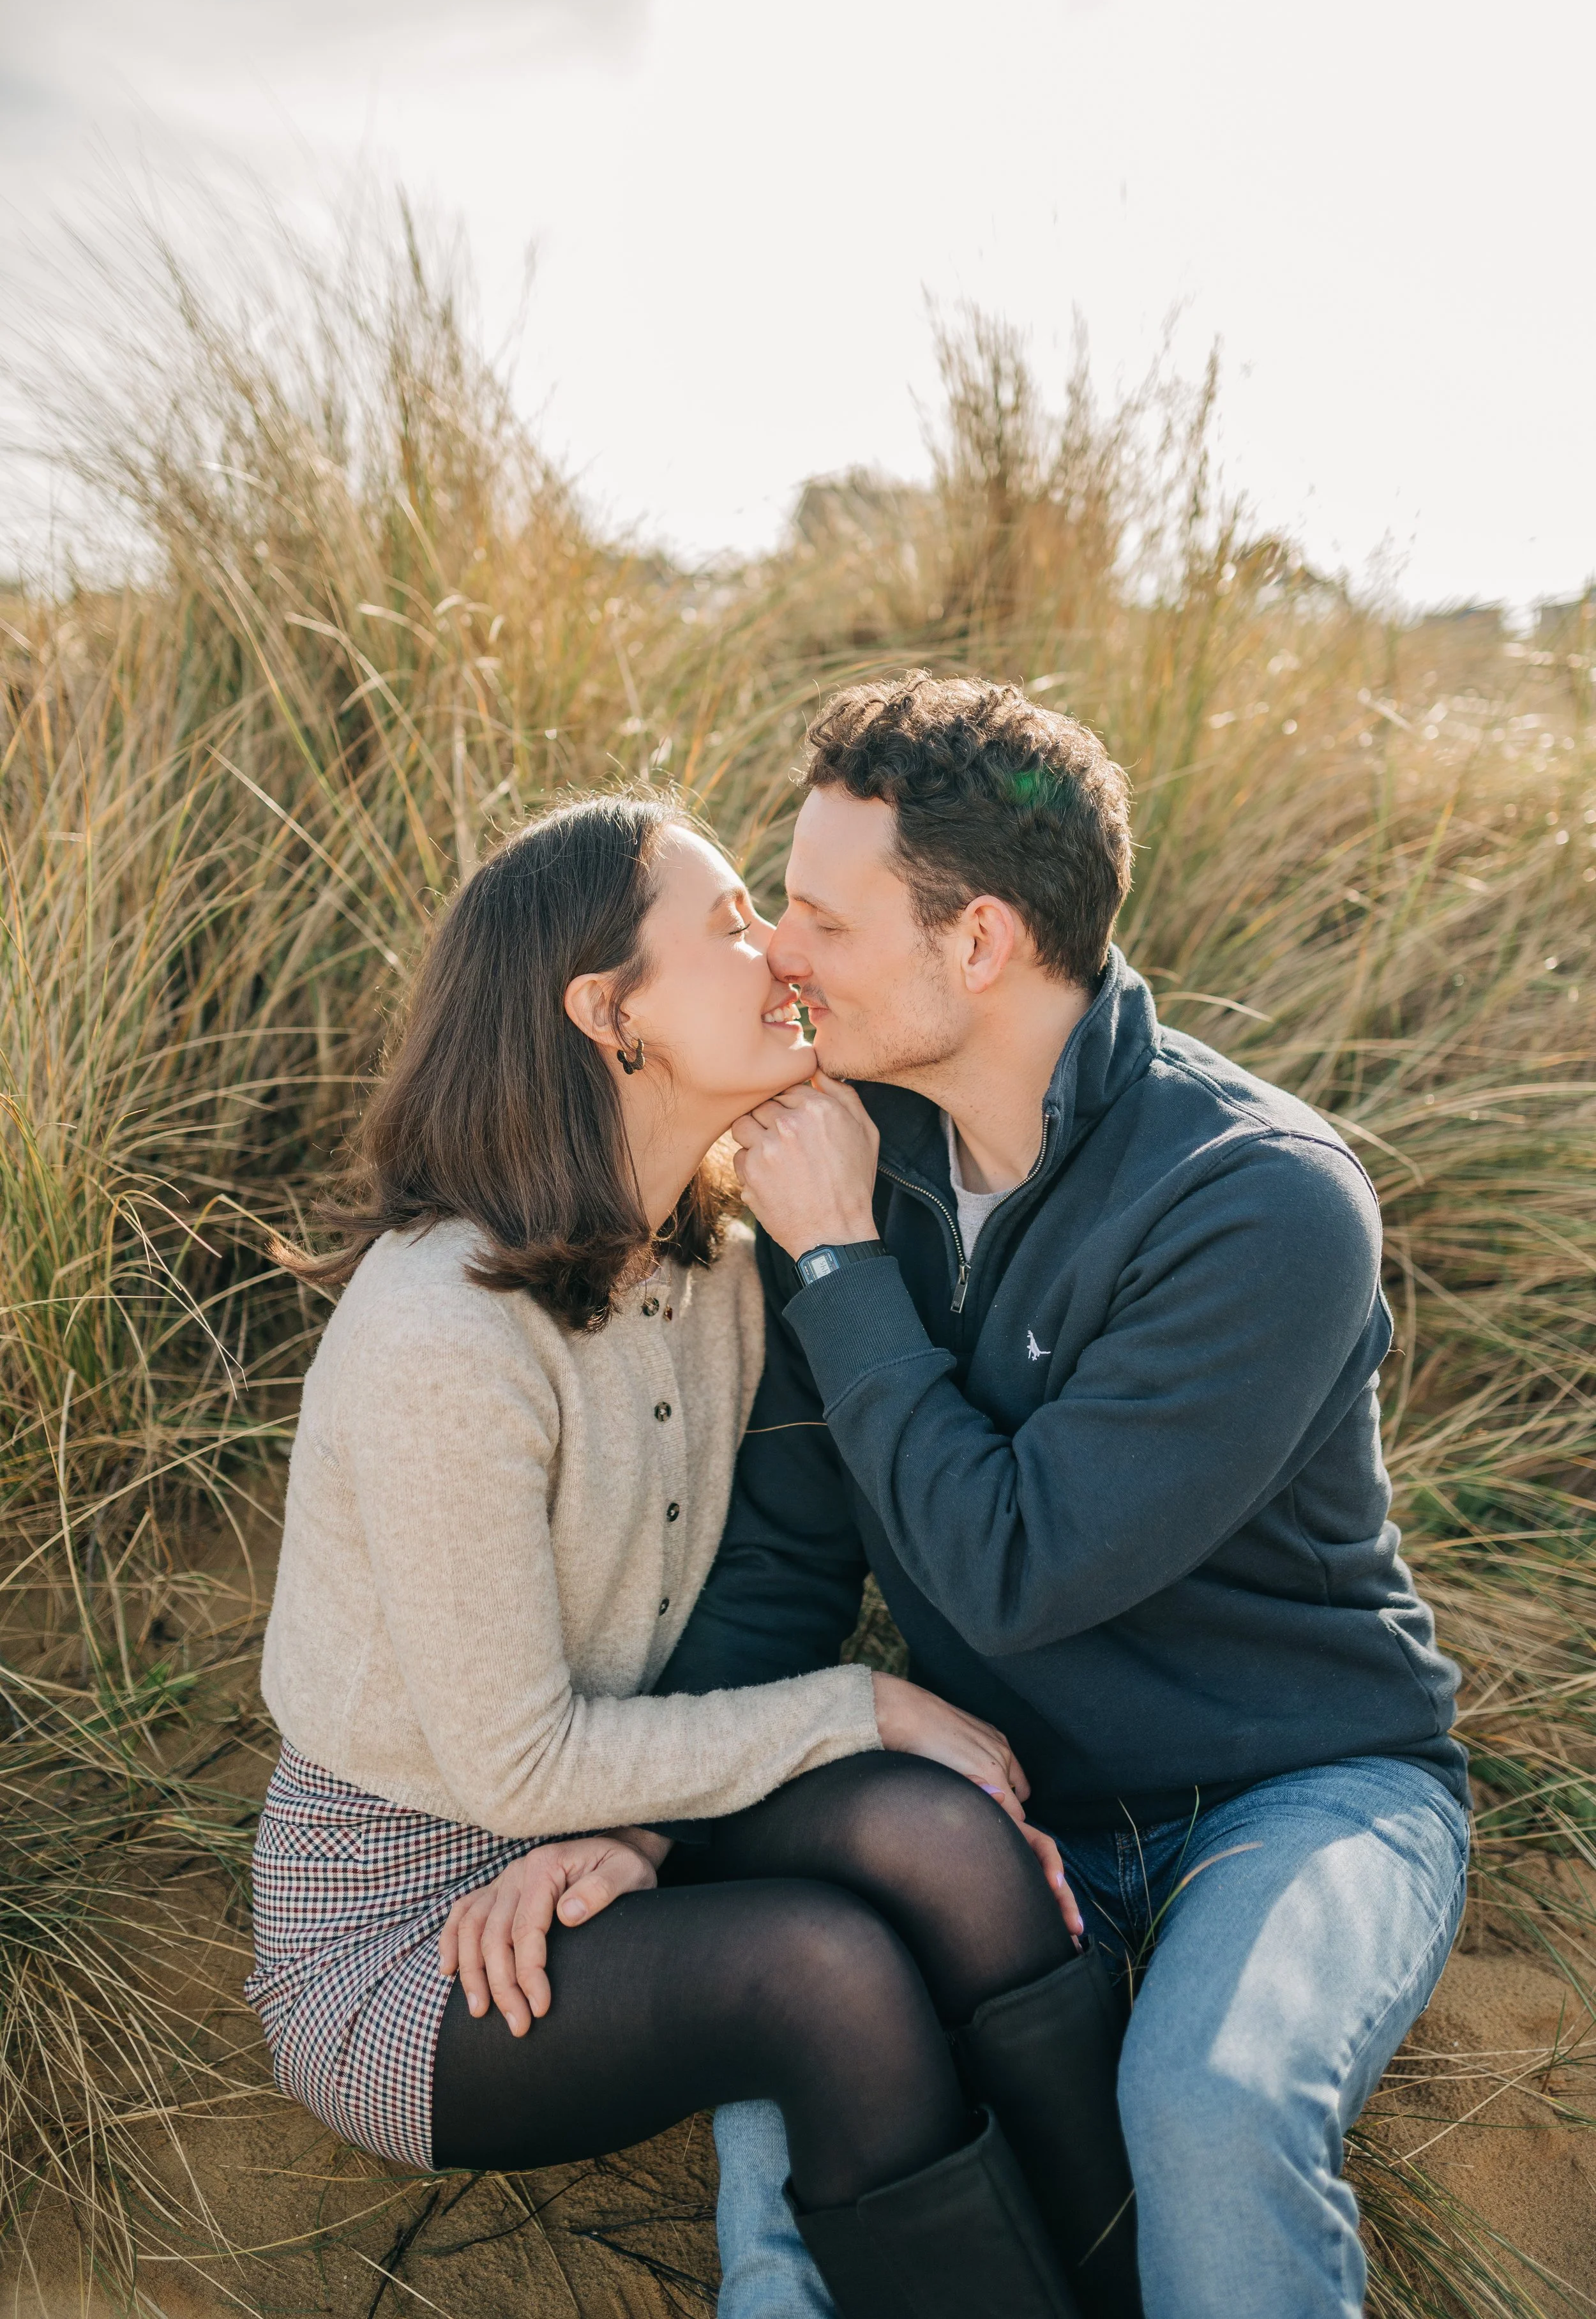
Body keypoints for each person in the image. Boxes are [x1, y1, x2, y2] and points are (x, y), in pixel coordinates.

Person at [245, 790, 1127, 2319]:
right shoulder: (441, 1336)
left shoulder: (729, 1255)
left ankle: (1128, 2279)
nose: (776, 947)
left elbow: (787, 1553)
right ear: (609, 1014)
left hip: (636, 1806)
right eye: (724, 927)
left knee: (943, 1840)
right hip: (410, 1930)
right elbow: (515, 1774)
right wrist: (862, 1707)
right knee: (819, 1977)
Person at [654, 674, 1472, 2319]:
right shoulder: (854, 1150)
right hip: (997, 1799)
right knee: (777, 2052)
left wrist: (834, 1264)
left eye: (819, 912)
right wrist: (640, 1820)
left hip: (1293, 1792)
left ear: (979, 944)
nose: (781, 955)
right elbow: (782, 1563)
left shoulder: (1257, 1204)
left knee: (1210, 2104)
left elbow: (1018, 1567)